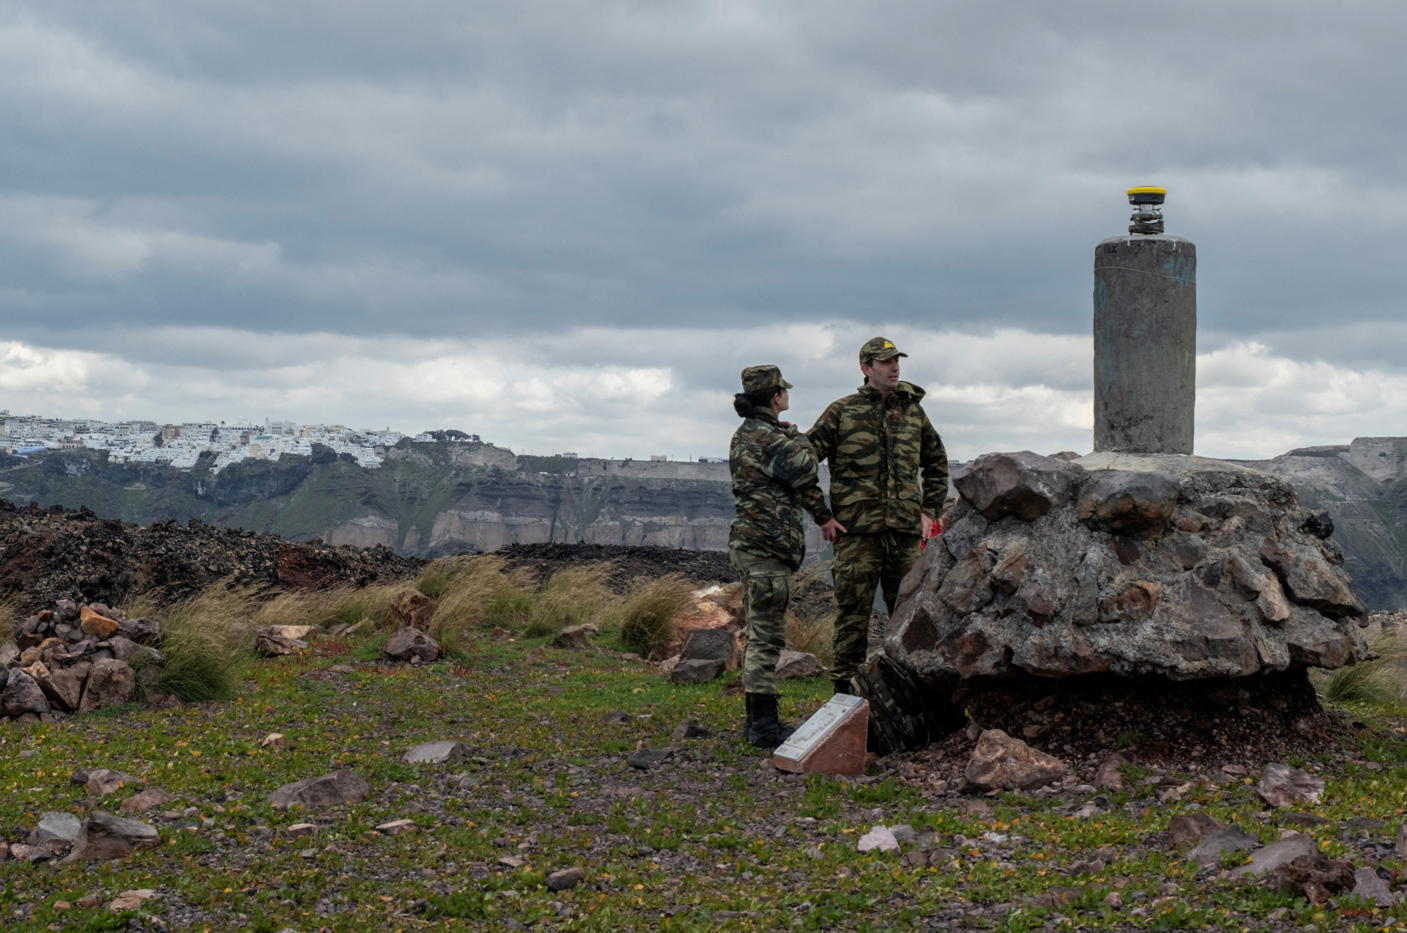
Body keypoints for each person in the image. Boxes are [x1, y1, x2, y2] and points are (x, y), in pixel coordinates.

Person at [807, 337, 949, 694]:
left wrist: (929, 511)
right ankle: (844, 701)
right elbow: (802, 463)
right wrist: (822, 515)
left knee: (909, 617)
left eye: (896, 361)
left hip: (903, 535)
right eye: (885, 362)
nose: (894, 367)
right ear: (866, 369)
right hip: (857, 536)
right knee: (852, 618)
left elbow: (937, 462)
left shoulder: (913, 413)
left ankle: (912, 695)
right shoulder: (842, 412)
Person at [729, 365, 835, 748]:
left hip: (753, 546)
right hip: (766, 550)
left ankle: (755, 720)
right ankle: (764, 726)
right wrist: (800, 437)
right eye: (783, 392)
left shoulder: (747, 434)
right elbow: (806, 467)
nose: (787, 396)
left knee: (759, 635)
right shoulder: (767, 437)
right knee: (766, 640)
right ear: (776, 397)